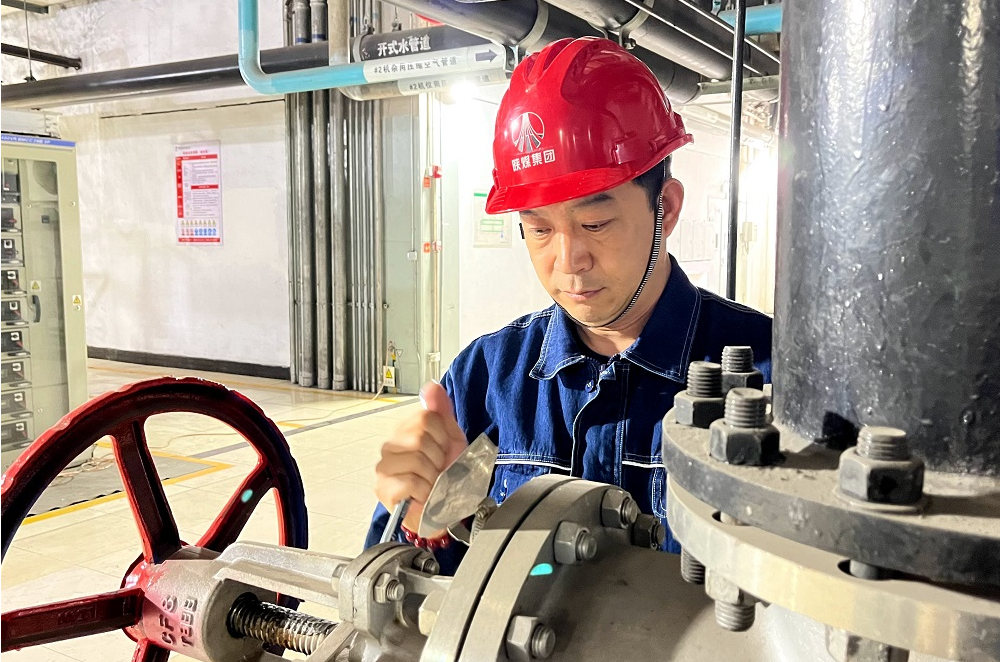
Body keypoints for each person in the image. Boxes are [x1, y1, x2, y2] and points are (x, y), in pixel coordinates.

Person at [364, 37, 772, 572]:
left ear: (666, 209)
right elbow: (396, 591)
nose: (567, 260)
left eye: (595, 223)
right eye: (538, 229)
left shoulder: (773, 376)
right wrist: (429, 524)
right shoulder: (486, 378)